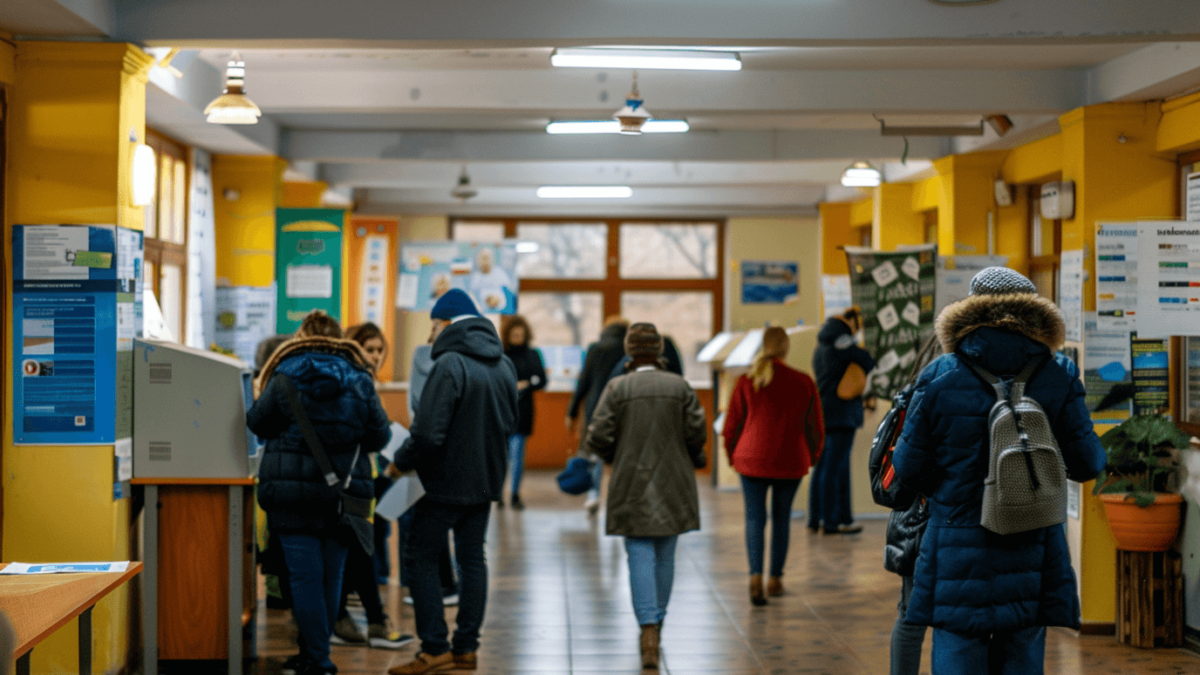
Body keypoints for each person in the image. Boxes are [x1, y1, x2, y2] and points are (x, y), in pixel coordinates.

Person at [892, 267, 1106, 674]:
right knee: (1023, 646)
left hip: (956, 544)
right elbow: (1088, 463)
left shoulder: (940, 375)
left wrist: (955, 487)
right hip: (1032, 542)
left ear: (970, 311)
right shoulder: (1057, 373)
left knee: (957, 643)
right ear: (1034, 312)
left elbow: (907, 466)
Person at [248, 311, 389, 675]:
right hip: (345, 493)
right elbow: (379, 437)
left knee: (304, 578)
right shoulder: (361, 379)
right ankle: (314, 655)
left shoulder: (284, 375)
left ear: (300, 337)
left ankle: (318, 660)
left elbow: (257, 422)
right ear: (340, 339)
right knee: (332, 577)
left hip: (293, 493)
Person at [387, 289, 518, 675]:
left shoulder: (449, 364)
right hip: (485, 480)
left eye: (433, 325)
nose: (431, 334)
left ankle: (434, 649)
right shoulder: (504, 366)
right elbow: (508, 425)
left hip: (443, 483)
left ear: (444, 323)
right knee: (472, 558)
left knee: (420, 557)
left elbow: (427, 434)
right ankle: (466, 650)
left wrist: (400, 462)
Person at [586, 323, 707, 670]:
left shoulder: (617, 387)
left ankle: (647, 628)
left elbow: (597, 435)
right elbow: (696, 432)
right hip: (675, 480)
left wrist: (615, 457)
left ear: (629, 352)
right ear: (659, 351)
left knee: (638, 553)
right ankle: (659, 624)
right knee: (666, 555)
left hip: (630, 481)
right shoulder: (679, 386)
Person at [722, 327, 823, 606]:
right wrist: (811, 456)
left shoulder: (747, 381)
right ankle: (775, 579)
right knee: (781, 519)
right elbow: (815, 426)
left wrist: (732, 455)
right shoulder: (803, 381)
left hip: (751, 459)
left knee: (755, 519)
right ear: (786, 348)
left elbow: (732, 425)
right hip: (791, 459)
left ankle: (755, 577)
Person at [328, 323, 412, 650]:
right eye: (370, 348)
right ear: (354, 346)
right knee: (360, 549)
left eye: (380, 350)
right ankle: (363, 620)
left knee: (363, 549)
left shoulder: (361, 380)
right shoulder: (351, 380)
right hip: (349, 480)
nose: (375, 355)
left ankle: (368, 621)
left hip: (366, 476)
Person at [809, 307, 876, 535]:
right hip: (842, 414)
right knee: (834, 469)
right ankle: (831, 522)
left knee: (824, 468)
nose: (858, 331)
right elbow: (867, 360)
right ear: (849, 322)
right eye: (857, 325)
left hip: (825, 412)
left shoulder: (822, 344)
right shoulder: (842, 341)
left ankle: (817, 519)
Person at [567, 316, 630, 515]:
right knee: (621, 452)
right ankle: (618, 497)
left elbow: (583, 382)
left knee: (595, 452)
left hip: (595, 407)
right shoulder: (628, 350)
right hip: (622, 406)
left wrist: (572, 411)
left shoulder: (596, 348)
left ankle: (593, 494)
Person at [501, 315, 548, 509]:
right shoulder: (501, 354)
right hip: (502, 409)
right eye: (514, 334)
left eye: (520, 334)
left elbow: (542, 380)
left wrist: (527, 384)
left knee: (517, 453)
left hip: (523, 409)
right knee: (501, 455)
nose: (517, 337)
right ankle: (498, 493)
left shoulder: (533, 354)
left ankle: (514, 494)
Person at [468, 247, 514, 311]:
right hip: (483, 308)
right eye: (482, 259)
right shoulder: (476, 276)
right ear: (478, 261)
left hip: (502, 306)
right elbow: (472, 292)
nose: (485, 262)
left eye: (487, 258)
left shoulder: (499, 272)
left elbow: (509, 288)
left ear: (491, 259)